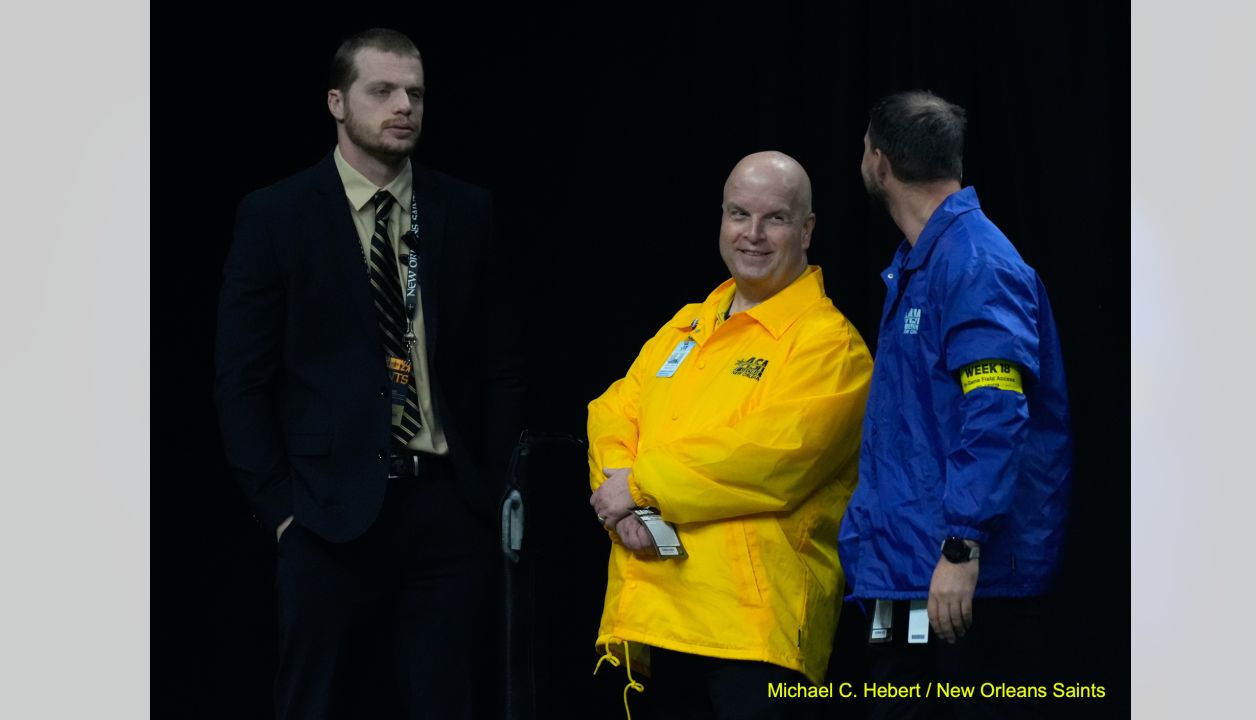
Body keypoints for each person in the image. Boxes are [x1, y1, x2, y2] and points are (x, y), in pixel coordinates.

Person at [213, 28, 522, 719]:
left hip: (445, 508)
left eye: (414, 91)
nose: (403, 105)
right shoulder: (277, 215)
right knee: (316, 703)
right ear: (336, 101)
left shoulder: (465, 210)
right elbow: (240, 379)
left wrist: (488, 486)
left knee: (446, 702)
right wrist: (281, 512)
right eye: (382, 90)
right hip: (324, 515)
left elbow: (499, 364)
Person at [587, 151, 873, 719]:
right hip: (652, 614)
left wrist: (639, 487)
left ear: (808, 230)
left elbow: (771, 459)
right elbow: (614, 412)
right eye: (739, 214)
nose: (753, 234)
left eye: (776, 218)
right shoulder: (688, 324)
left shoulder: (830, 347)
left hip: (751, 632)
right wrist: (626, 509)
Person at [838, 90, 1072, 719]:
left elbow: (997, 409)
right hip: (913, 577)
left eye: (864, 147)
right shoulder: (924, 261)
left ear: (880, 162)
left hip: (965, 587)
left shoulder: (975, 262)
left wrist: (962, 547)